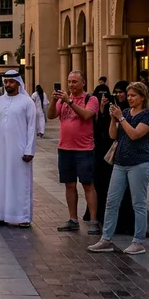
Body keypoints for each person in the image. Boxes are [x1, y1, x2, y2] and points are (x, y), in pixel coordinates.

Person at [88, 83, 149, 255]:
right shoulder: (125, 113)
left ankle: (138, 241)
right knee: (111, 202)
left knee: (138, 204)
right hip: (119, 163)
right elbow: (113, 136)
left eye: (133, 95)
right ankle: (106, 239)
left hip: (139, 164)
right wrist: (113, 119)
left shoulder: (147, 115)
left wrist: (122, 119)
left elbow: (134, 135)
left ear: (142, 97)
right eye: (129, 95)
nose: (130, 98)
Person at [48, 70, 101, 234]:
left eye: (75, 82)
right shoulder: (62, 100)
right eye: (69, 81)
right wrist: (53, 101)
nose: (71, 85)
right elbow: (50, 115)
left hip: (84, 149)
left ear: (83, 83)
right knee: (69, 185)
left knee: (88, 185)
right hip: (65, 149)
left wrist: (69, 102)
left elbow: (86, 115)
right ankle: (73, 219)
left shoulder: (90, 99)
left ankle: (93, 220)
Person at [85, 81, 140, 235]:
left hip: (134, 158)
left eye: (129, 94)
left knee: (135, 198)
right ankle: (108, 229)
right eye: (121, 93)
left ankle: (135, 232)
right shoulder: (117, 110)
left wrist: (120, 118)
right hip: (113, 155)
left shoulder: (140, 113)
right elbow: (110, 133)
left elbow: (135, 134)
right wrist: (107, 114)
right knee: (111, 194)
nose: (123, 96)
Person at [0, 72, 37, 227]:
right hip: (1, 150)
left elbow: (32, 128)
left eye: (11, 82)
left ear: (18, 83)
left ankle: (22, 217)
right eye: (6, 82)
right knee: (0, 182)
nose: (8, 85)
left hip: (20, 151)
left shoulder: (27, 102)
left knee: (20, 183)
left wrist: (29, 150)